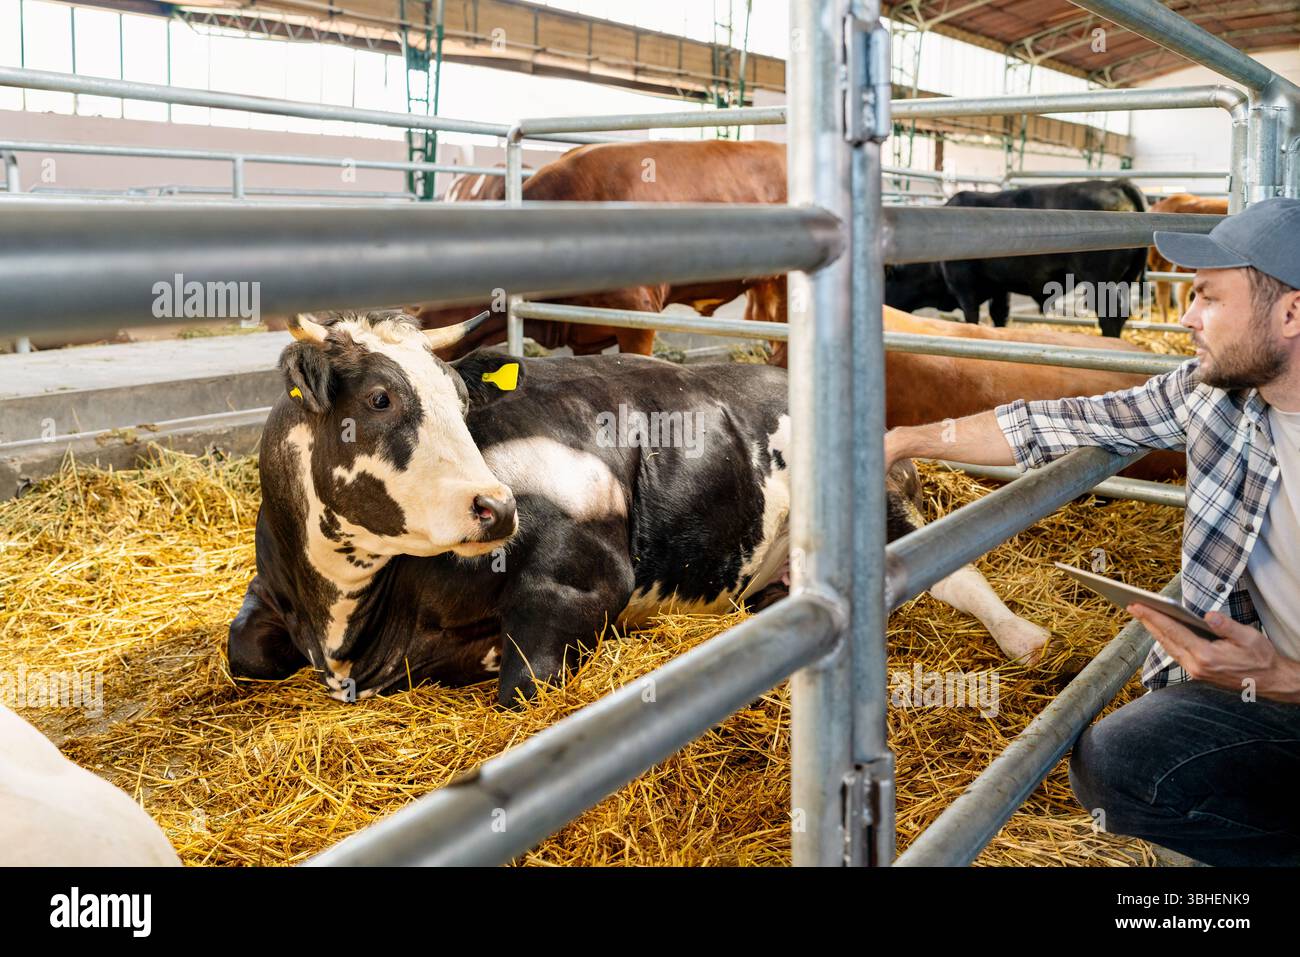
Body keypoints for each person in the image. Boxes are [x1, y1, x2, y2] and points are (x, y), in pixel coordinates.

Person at [883, 197, 1300, 866]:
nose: (1186, 317)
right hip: (1259, 692)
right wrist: (910, 438)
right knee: (1114, 763)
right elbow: (1062, 422)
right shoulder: (1215, 394)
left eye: (1209, 299)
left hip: (1285, 681)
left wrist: (1283, 676)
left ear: (1290, 313)